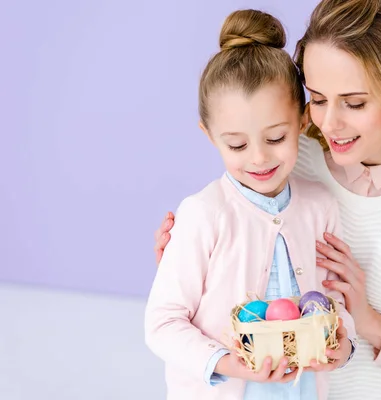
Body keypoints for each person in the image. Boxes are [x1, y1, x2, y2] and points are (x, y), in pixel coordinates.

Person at [154, 0, 381, 399]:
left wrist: (369, 323)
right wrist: (189, 264)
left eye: (355, 103)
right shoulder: (284, 155)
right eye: (318, 99)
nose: (328, 125)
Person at [144, 9, 357, 400]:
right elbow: (162, 322)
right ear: (209, 136)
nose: (259, 158)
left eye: (276, 137)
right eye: (237, 145)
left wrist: (343, 347)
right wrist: (226, 362)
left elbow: (335, 304)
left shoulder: (320, 206)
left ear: (303, 121)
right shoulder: (203, 214)